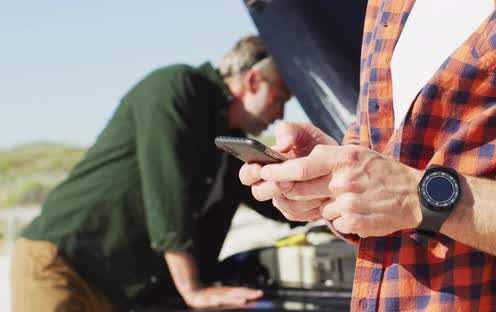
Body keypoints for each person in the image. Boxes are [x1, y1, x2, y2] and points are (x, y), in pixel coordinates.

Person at [240, 0, 496, 311]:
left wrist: (422, 197)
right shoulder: (384, 8)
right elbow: (385, 166)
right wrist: (333, 177)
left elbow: (404, 190)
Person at [12, 35, 294, 311]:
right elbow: (167, 194)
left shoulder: (230, 142)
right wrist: (192, 290)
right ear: (254, 81)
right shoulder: (176, 88)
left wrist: (324, 203)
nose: (281, 114)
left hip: (120, 292)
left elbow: (270, 200)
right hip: (63, 268)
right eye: (279, 98)